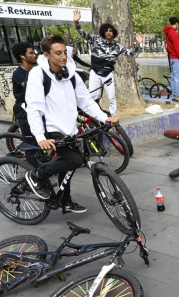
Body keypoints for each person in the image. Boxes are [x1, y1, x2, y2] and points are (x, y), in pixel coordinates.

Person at [24, 35, 118, 212]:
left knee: (71, 163)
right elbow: (34, 108)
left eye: (64, 52)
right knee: (74, 160)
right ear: (46, 55)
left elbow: (86, 101)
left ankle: (65, 200)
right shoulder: (38, 75)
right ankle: (36, 175)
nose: (63, 56)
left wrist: (104, 117)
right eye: (57, 53)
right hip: (50, 128)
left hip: (69, 127)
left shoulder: (71, 74)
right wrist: (39, 137)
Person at [73, 9, 142, 116]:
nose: (109, 32)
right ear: (103, 32)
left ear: (113, 33)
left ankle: (113, 117)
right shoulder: (95, 39)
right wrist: (76, 22)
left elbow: (130, 53)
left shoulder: (117, 46)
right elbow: (83, 34)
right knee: (93, 97)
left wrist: (137, 44)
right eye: (107, 30)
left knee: (111, 97)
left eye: (111, 31)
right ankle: (92, 118)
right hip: (95, 73)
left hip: (108, 74)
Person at [11, 42, 38, 167]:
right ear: (22, 56)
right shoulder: (19, 73)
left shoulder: (36, 69)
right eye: (31, 53)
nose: (34, 55)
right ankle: (34, 176)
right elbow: (30, 88)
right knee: (31, 142)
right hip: (24, 110)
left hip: (36, 108)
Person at [163, 17, 179, 100]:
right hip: (176, 58)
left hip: (171, 57)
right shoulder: (174, 33)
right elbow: (177, 47)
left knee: (173, 77)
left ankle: (174, 95)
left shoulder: (168, 33)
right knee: (178, 77)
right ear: (176, 23)